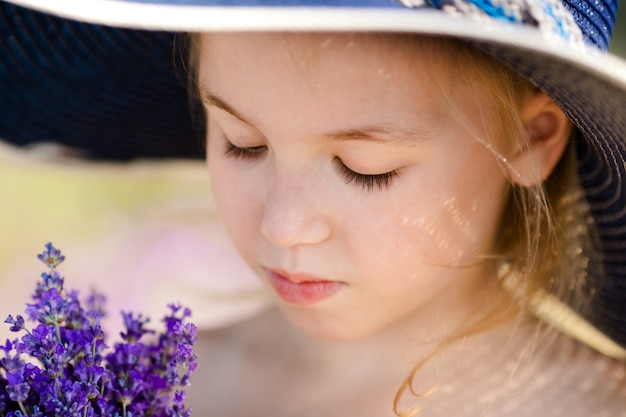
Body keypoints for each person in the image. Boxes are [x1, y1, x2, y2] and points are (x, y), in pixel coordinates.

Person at [1, 0, 625, 416]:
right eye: (242, 145)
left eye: (364, 169)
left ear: (533, 137)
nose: (283, 225)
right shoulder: (147, 389)